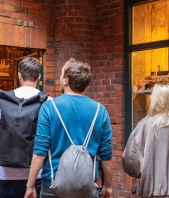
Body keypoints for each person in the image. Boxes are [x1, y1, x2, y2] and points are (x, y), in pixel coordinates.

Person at [25, 58, 114, 198]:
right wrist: (108, 186)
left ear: (66, 80)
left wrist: (30, 186)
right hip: (87, 186)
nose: (59, 78)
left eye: (61, 75)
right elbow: (106, 155)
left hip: (53, 186)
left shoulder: (49, 108)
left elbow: (40, 151)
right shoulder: (100, 111)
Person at [0, 57, 49, 198]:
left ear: (19, 76)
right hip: (37, 173)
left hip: (7, 173)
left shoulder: (2, 101)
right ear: (39, 77)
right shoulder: (47, 101)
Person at [122, 82, 169, 198]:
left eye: (153, 95)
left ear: (157, 100)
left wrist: (145, 169)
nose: (150, 97)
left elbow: (129, 162)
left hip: (152, 193)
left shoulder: (144, 125)